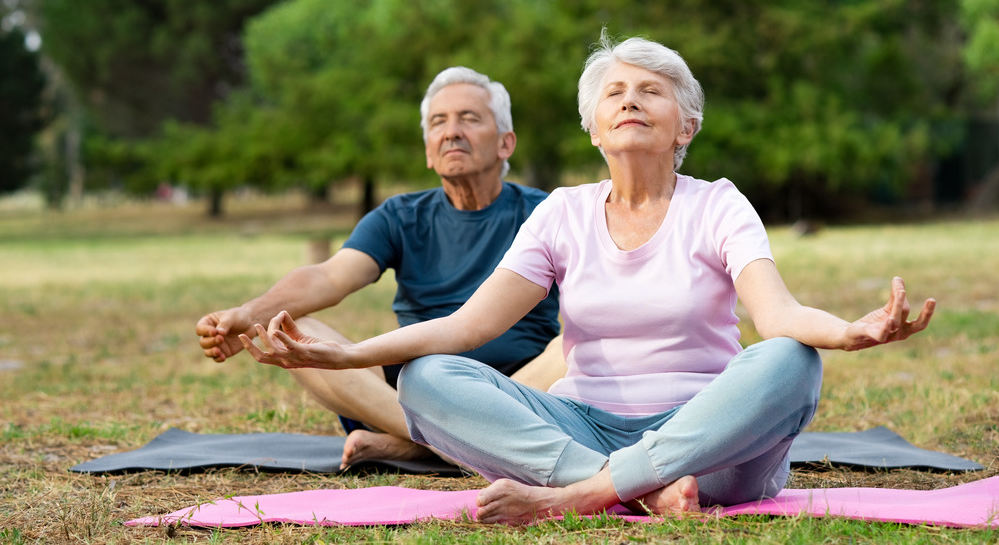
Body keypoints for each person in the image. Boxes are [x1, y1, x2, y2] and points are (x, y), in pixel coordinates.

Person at [238, 34, 936, 525]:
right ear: (594, 126)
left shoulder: (718, 202)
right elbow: (467, 328)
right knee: (427, 377)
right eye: (615, 92)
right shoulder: (564, 213)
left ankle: (579, 495)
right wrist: (349, 353)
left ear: (684, 122)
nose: (630, 100)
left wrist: (850, 330)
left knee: (790, 361)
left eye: (651, 92)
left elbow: (777, 316)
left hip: (710, 443)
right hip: (585, 429)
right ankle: (627, 488)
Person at [196, 66, 563, 469]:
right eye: (438, 122)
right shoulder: (399, 216)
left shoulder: (547, 212)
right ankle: (455, 444)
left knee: (573, 348)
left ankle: (416, 446)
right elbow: (329, 277)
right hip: (414, 389)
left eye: (469, 119)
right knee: (289, 328)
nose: (451, 132)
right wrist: (250, 314)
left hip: (520, 386)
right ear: (428, 149)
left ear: (505, 143)